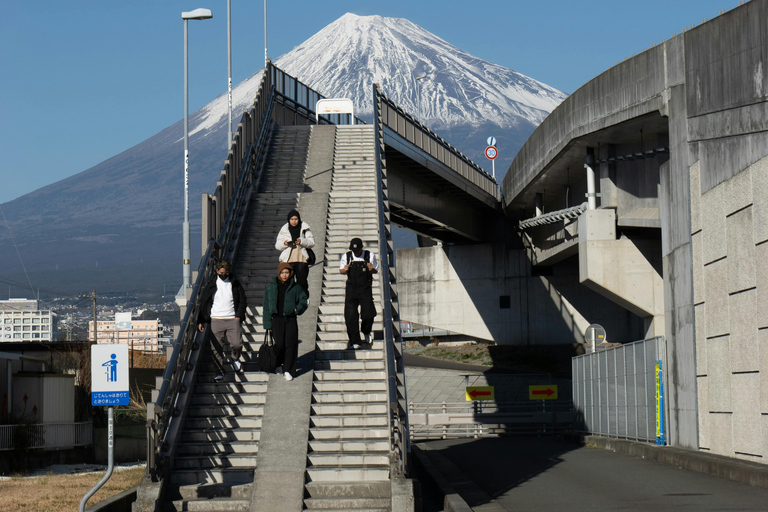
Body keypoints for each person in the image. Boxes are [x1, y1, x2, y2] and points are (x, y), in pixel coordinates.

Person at [197, 260, 248, 382]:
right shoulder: (212, 285)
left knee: (237, 343)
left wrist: (238, 316)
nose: (224, 274)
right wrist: (201, 320)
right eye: (221, 272)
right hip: (216, 319)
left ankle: (235, 358)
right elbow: (204, 302)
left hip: (232, 318)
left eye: (226, 272)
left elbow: (242, 300)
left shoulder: (235, 284)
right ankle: (219, 372)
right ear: (217, 271)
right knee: (216, 348)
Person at [263, 262, 308, 380]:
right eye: (282, 273)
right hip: (276, 320)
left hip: (290, 319)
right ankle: (278, 364)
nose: (284, 275)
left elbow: (303, 300)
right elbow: (266, 306)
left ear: (291, 273)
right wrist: (267, 323)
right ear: (279, 273)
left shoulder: (296, 287)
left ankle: (288, 369)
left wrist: (297, 309)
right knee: (279, 344)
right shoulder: (272, 287)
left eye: (287, 272)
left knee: (290, 345)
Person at [339, 237, 378, 350]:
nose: (355, 252)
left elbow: (375, 269)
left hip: (365, 288)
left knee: (368, 313)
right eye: (354, 250)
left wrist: (371, 269)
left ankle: (366, 331)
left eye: (357, 250)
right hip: (351, 289)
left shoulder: (370, 256)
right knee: (350, 315)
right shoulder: (347, 256)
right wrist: (344, 270)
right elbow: (341, 270)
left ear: (362, 248)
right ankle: (354, 341)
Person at [275, 209, 315, 298]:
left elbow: (312, 242)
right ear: (289, 220)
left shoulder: (305, 228)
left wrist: (302, 241)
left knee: (302, 281)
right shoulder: (284, 229)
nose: (294, 221)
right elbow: (277, 245)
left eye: (296, 219)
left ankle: (304, 298)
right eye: (292, 219)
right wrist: (285, 244)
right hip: (288, 259)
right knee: (289, 281)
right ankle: (290, 299)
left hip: (301, 259)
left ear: (299, 219)